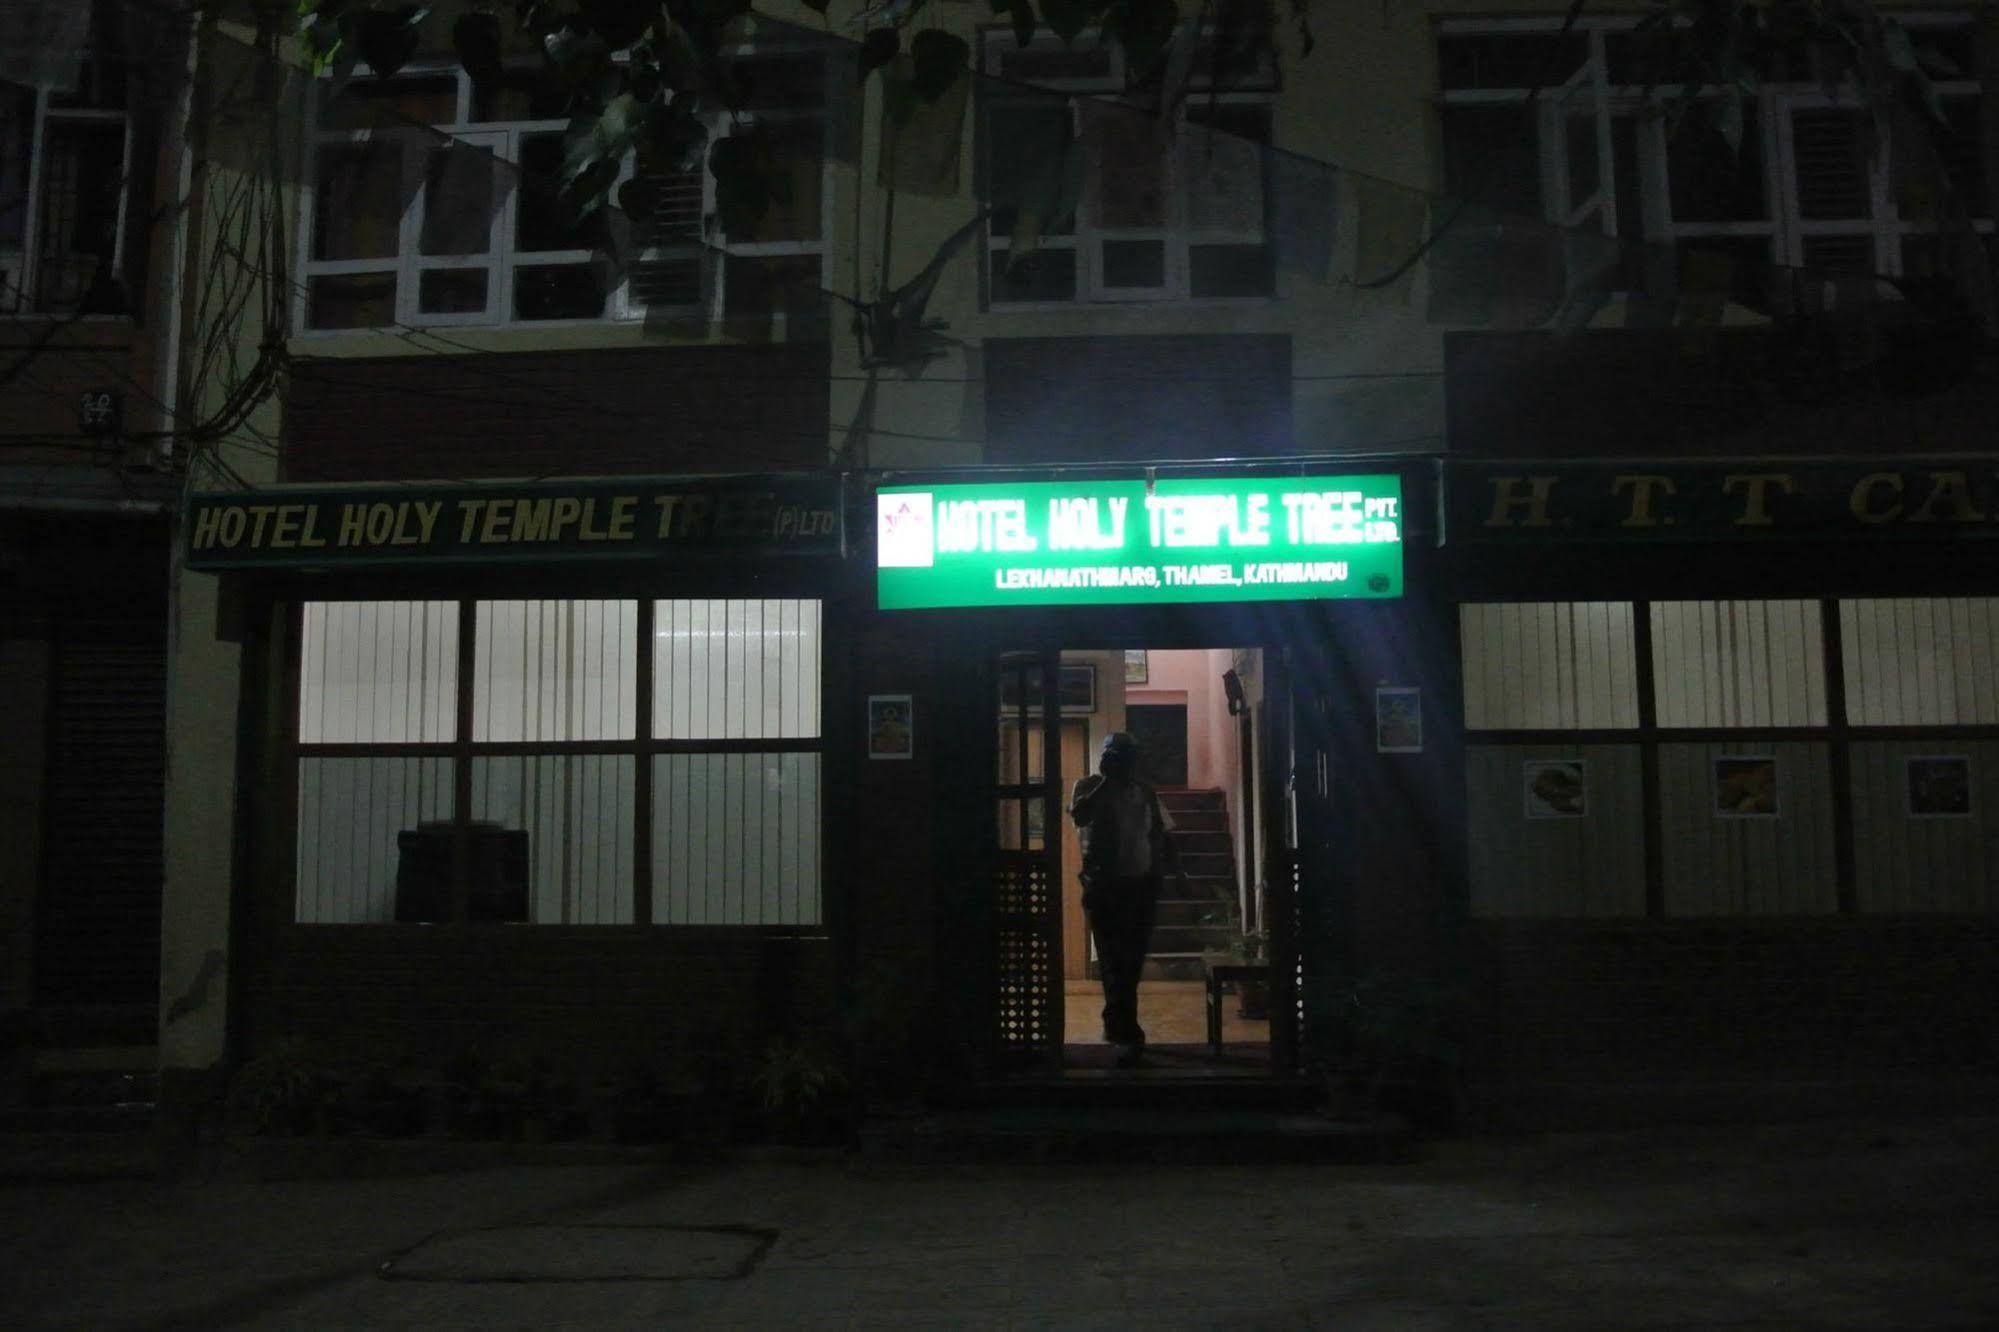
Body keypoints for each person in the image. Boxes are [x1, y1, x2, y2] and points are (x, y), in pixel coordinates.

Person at [1069, 730, 1182, 1067]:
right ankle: (1125, 1033)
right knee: (1112, 961)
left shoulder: (1146, 793)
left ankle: (1121, 1027)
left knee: (1130, 963)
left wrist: (1177, 874)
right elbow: (1079, 815)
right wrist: (1106, 780)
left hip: (1142, 887)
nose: (1126, 764)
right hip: (1105, 888)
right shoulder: (1089, 787)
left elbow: (1162, 833)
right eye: (1118, 757)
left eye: (1129, 758)